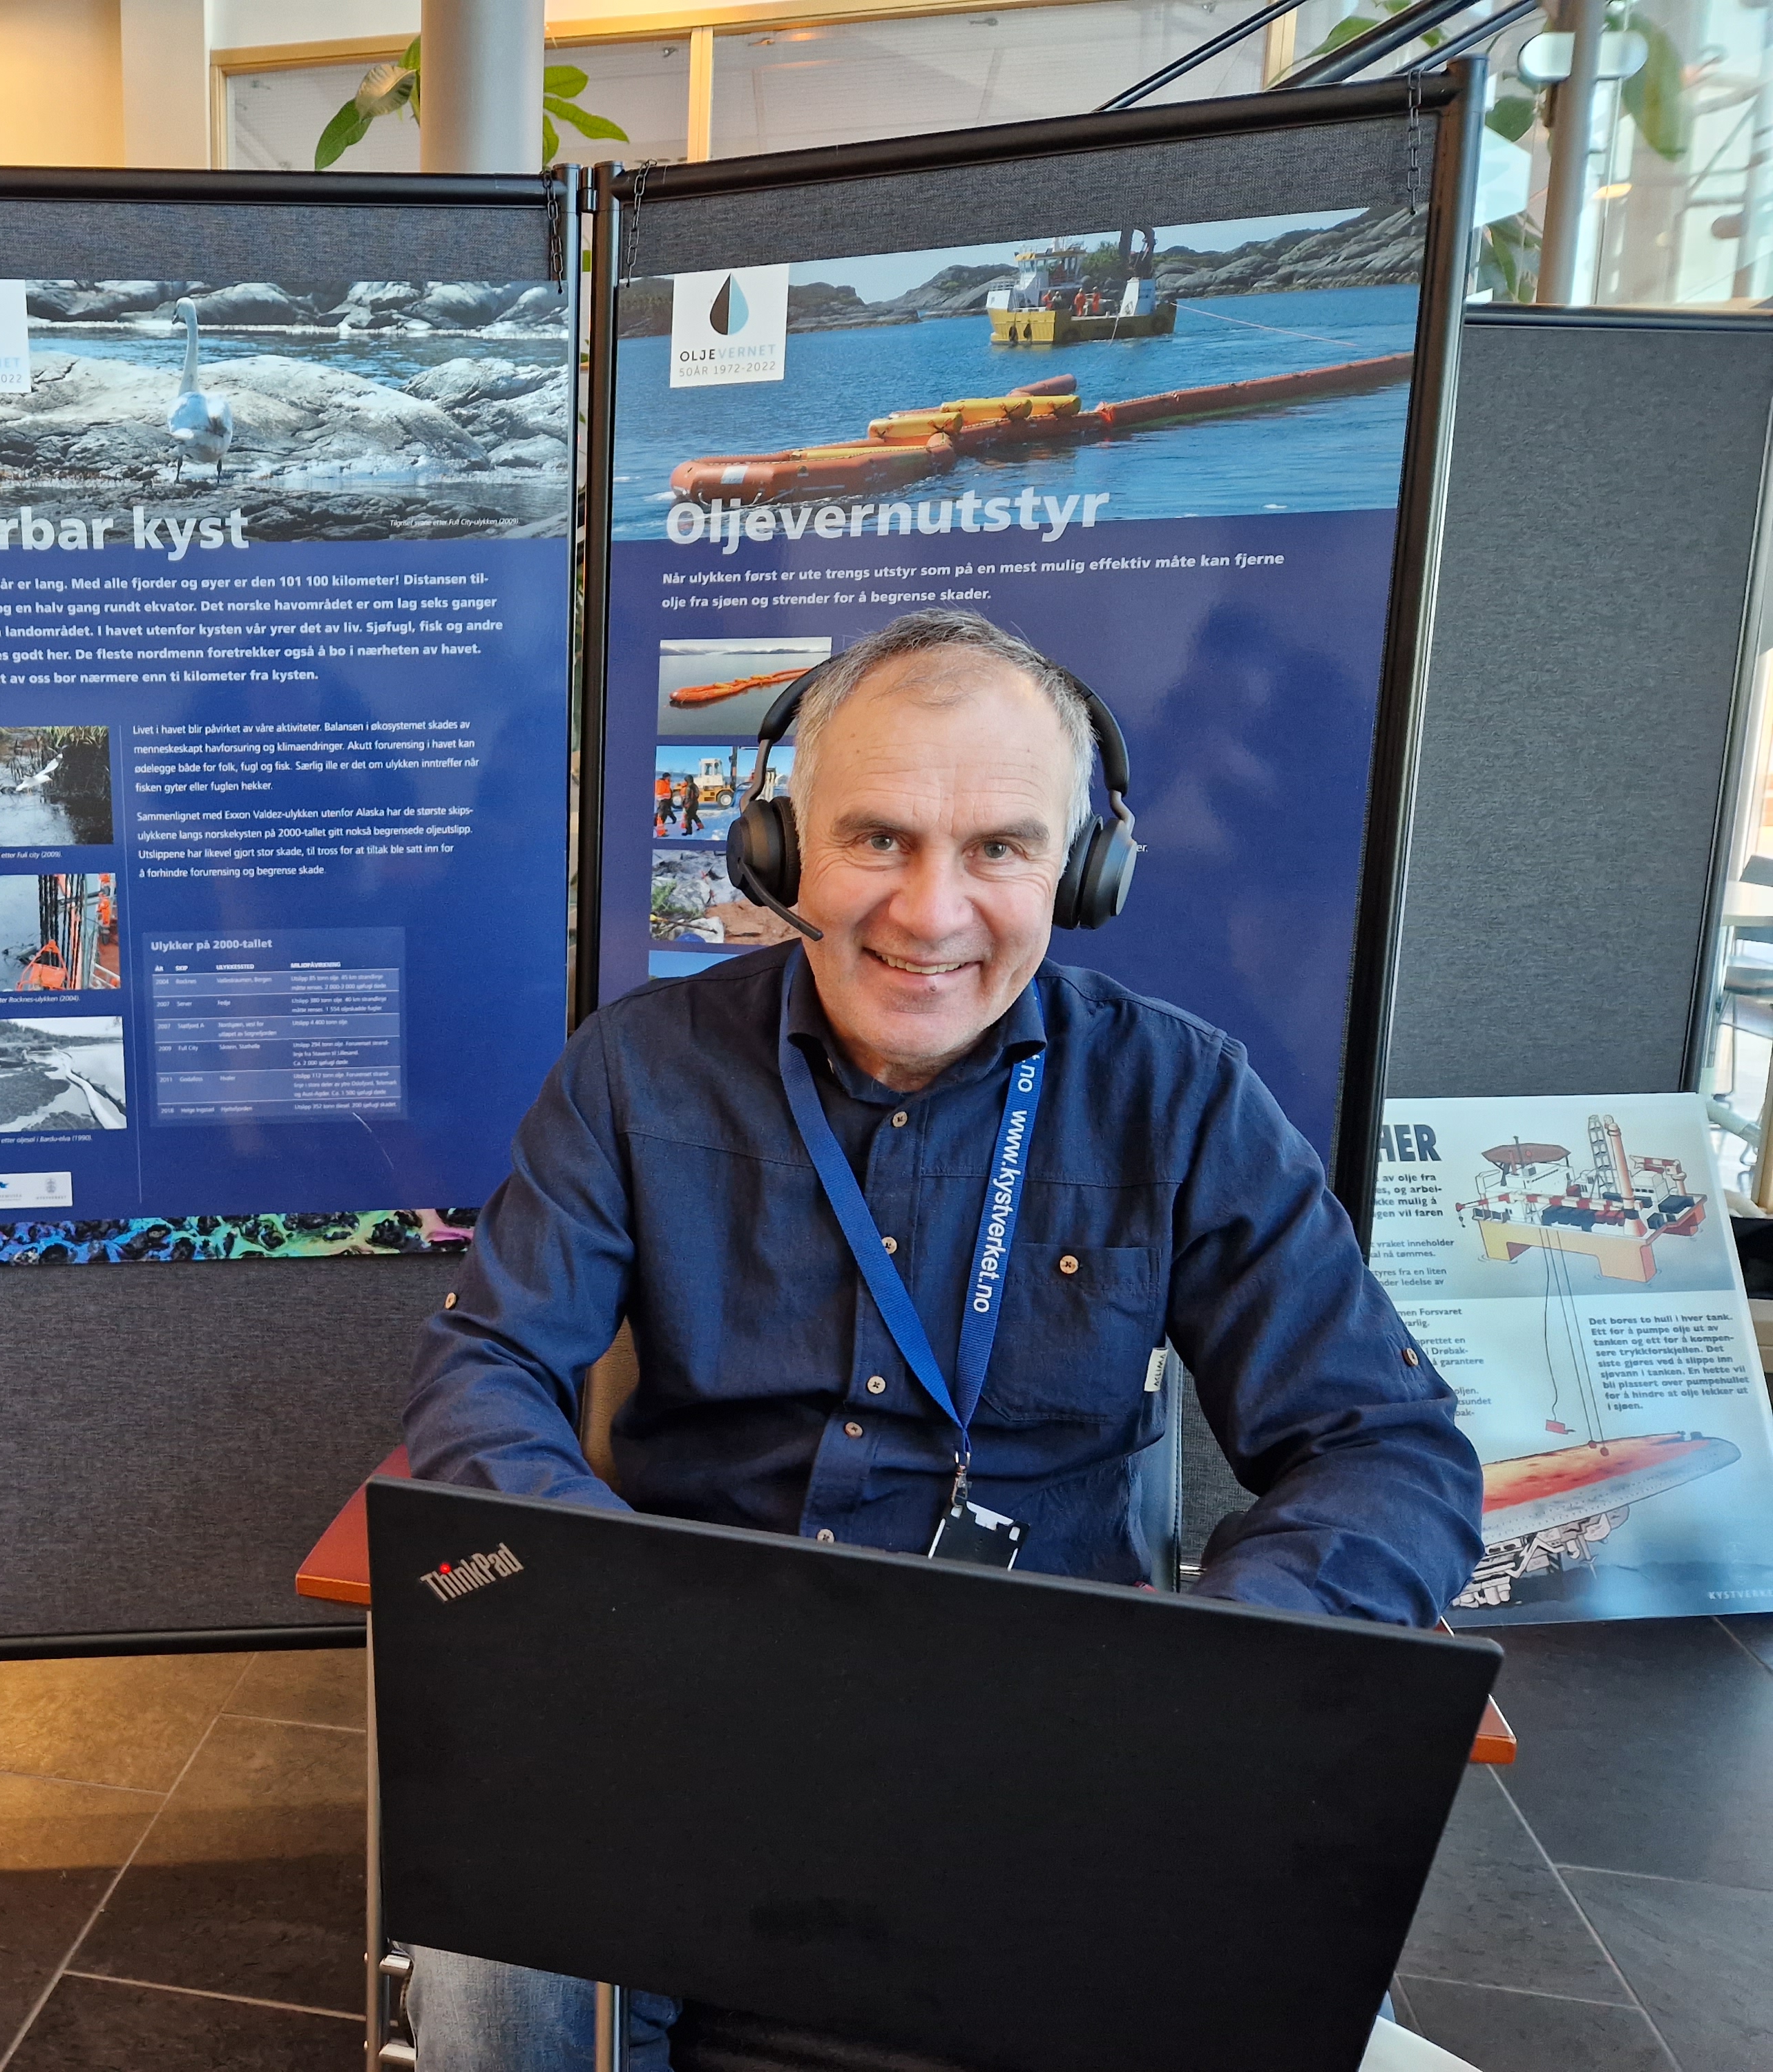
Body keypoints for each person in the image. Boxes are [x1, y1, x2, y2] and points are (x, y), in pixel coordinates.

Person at [402, 609, 1485, 2072]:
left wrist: (1216, 1671)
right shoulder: (634, 1070)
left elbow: (1387, 1444)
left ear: (1079, 872)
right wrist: (605, 1614)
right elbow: (487, 1367)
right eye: (876, 840)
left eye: (996, 850)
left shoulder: (1179, 1098)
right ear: (777, 851)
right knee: (493, 1996)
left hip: (1059, 1741)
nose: (927, 913)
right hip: (695, 1711)